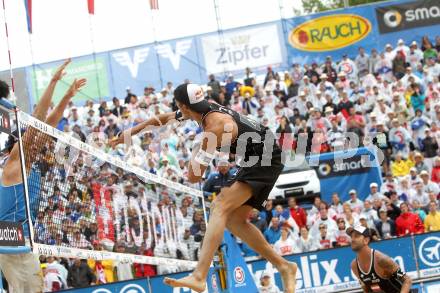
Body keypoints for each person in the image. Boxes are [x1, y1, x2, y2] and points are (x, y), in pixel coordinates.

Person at [111, 83, 297, 292]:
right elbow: (163, 118)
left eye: (180, 108)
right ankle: (284, 266)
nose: (179, 112)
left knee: (219, 206)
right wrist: (131, 132)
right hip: (256, 154)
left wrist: (196, 148)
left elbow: (193, 176)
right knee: (234, 221)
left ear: (183, 106)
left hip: (265, 157)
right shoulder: (201, 109)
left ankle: (199, 275)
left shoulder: (215, 127)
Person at [0, 59, 86, 293]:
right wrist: (53, 82)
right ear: (15, 146)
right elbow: (37, 120)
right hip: (12, 244)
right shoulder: (15, 162)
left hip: (19, 242)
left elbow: (49, 123)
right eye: (28, 140)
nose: (36, 142)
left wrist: (67, 95)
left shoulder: (28, 162)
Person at [349, 226, 412, 292]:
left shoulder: (381, 260)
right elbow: (367, 289)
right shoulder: (354, 266)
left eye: (356, 236)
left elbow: (407, 280)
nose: (352, 239)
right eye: (351, 237)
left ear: (366, 240)